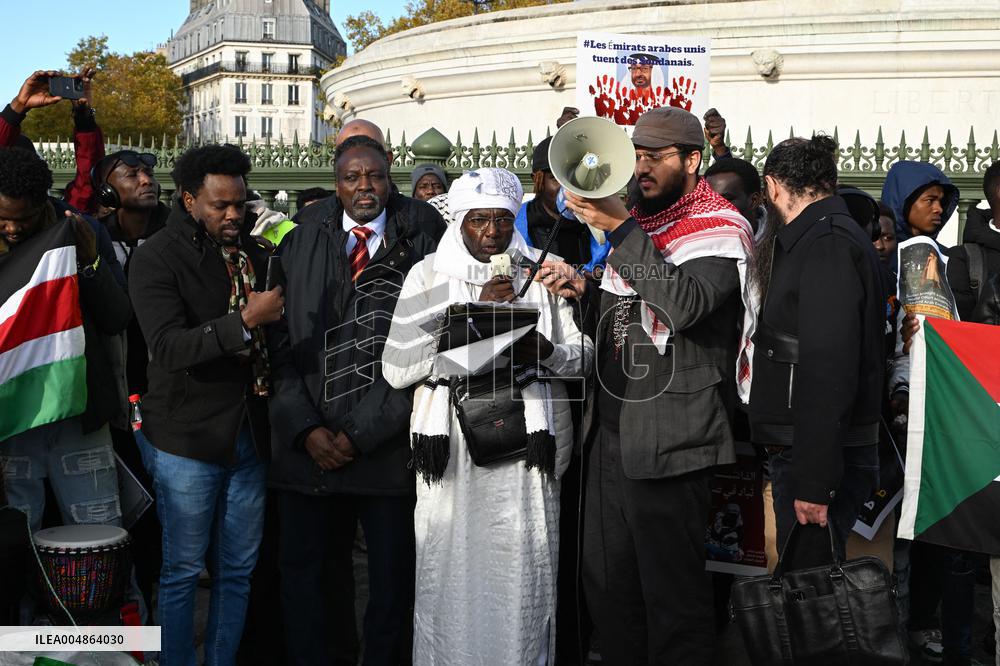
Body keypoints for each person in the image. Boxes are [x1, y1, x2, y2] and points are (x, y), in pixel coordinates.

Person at [562, 106, 757, 664]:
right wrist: (581, 290)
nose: (640, 166)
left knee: (673, 599)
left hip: (673, 436)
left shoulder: (718, 229)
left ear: (693, 160)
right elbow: (619, 321)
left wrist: (619, 228)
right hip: (613, 429)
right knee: (609, 588)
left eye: (654, 156)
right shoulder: (644, 228)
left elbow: (682, 304)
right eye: (636, 153)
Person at [382, 167, 593, 664]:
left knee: (525, 569)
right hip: (453, 447)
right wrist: (474, 309)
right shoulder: (430, 274)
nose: (492, 232)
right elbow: (398, 368)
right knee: (449, 570)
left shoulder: (541, 269)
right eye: (479, 220)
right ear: (459, 221)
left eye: (501, 219)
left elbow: (583, 355)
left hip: (526, 448)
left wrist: (545, 354)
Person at [267, 134, 439, 666]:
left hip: (384, 449)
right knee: (313, 585)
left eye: (376, 176)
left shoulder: (425, 238)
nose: (365, 187)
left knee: (391, 589)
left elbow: (430, 341)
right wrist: (307, 429)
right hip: (307, 450)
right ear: (336, 181)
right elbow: (278, 345)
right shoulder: (298, 241)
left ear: (390, 178)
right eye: (352, 177)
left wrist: (360, 433)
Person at [129, 144, 281, 666]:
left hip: (251, 435)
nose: (234, 214)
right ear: (190, 200)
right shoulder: (156, 255)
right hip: (186, 438)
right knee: (182, 571)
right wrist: (244, 322)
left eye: (240, 203)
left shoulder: (259, 254)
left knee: (237, 571)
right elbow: (168, 347)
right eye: (221, 205)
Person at [748, 136, 884, 570]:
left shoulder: (826, 242)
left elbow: (829, 365)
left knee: (815, 604)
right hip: (810, 449)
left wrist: (815, 482)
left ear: (772, 187)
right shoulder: (821, 237)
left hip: (818, 456)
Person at [0, 147, 130, 536]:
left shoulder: (83, 231)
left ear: (44, 203)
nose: (11, 229)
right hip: (10, 422)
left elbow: (117, 317)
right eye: (1, 218)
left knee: (100, 538)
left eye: (21, 219)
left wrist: (88, 263)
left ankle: (109, 600)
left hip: (79, 415)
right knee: (14, 546)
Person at [91, 148, 170, 614]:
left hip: (165, 397)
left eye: (148, 172)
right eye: (131, 174)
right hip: (117, 400)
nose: (145, 179)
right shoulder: (93, 240)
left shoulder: (176, 233)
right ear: (107, 189)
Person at [295, 118, 447, 242]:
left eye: (368, 148)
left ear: (387, 159)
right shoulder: (306, 223)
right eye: (346, 151)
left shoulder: (425, 221)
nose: (358, 157)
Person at [2, 69, 103, 214]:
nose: (13, 229)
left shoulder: (57, 220)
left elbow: (87, 187)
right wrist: (18, 106)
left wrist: (85, 118)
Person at [705, 156, 767, 237]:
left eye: (725, 200)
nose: (714, 208)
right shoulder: (694, 239)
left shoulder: (779, 241)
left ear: (754, 200)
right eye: (708, 200)